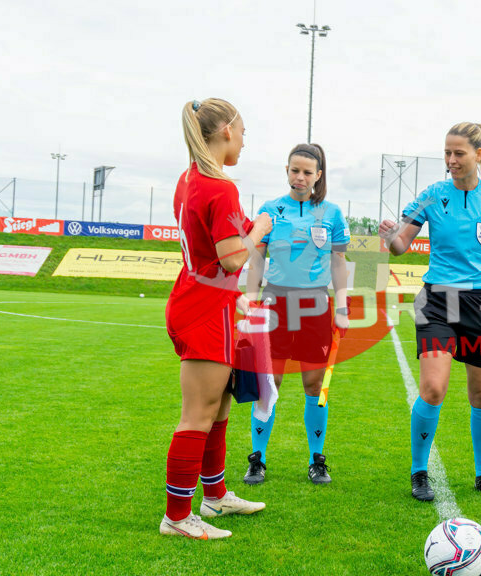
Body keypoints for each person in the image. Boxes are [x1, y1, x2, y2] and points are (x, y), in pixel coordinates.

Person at [378, 122, 481, 502]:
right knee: (432, 388)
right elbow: (400, 245)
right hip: (437, 301)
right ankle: (419, 472)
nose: (451, 160)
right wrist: (389, 236)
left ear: (479, 154)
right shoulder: (432, 195)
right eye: (447, 152)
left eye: (459, 153)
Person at [161, 98, 272, 540]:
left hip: (204, 303)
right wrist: (261, 229)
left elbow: (229, 233)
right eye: (242, 132)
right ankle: (177, 516)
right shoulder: (220, 185)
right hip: (204, 308)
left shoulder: (189, 179)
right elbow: (230, 258)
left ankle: (216, 494)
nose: (244, 142)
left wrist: (261, 224)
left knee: (220, 406)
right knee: (198, 413)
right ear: (225, 131)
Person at [242, 143, 350, 486]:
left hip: (316, 305)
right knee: (268, 385)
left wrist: (343, 306)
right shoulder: (270, 209)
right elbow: (257, 258)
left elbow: (338, 263)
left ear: (318, 176)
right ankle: (257, 459)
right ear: (286, 171)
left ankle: (317, 460)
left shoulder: (332, 213)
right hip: (275, 303)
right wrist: (250, 296)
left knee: (314, 385)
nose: (299, 177)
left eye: (307, 172)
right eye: (294, 170)